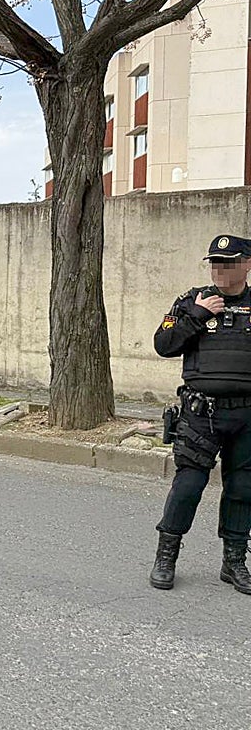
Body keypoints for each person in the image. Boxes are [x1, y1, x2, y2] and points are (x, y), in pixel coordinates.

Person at [150, 234, 251, 595]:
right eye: (215, 262)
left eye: (229, 262)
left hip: (247, 417)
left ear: (247, 265)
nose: (220, 269)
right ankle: (166, 557)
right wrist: (197, 315)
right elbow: (163, 344)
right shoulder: (191, 300)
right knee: (189, 484)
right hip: (200, 413)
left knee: (242, 488)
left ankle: (234, 562)